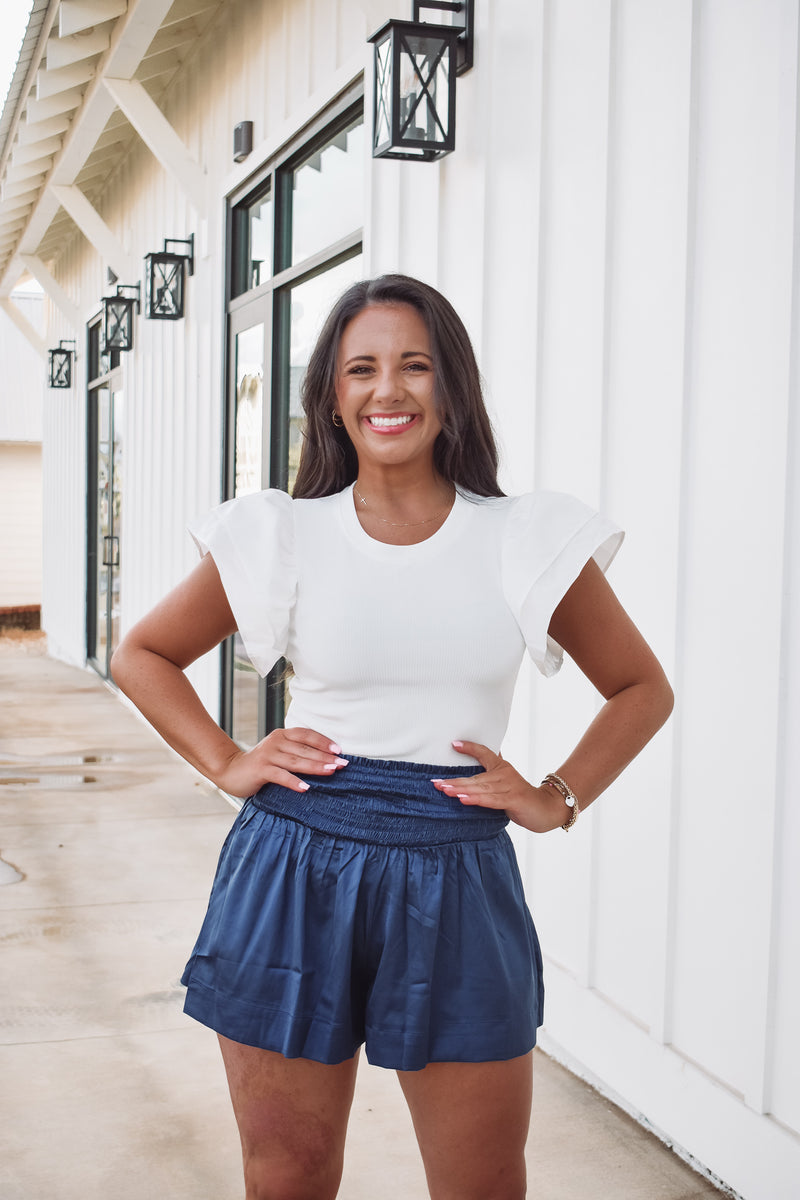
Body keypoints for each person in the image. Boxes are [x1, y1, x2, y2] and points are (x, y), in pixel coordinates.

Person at [111, 273, 673, 1200]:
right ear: (331, 397)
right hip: (296, 867)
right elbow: (145, 653)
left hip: (457, 875)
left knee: (482, 1185)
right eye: (360, 369)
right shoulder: (284, 533)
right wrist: (227, 760)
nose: (389, 390)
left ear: (451, 386)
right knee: (288, 1176)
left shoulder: (523, 539)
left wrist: (555, 798)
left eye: (414, 365)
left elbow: (640, 687)